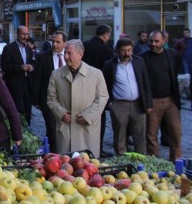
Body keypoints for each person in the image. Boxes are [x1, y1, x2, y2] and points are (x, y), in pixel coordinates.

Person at [47, 39, 109, 158]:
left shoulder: (96, 74)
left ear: (80, 54)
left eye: (69, 53)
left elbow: (102, 97)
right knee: (66, 166)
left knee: (88, 165)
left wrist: (88, 116)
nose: (65, 56)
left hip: (87, 129)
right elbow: (51, 99)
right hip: (66, 127)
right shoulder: (56, 74)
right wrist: (61, 113)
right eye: (65, 52)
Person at [103, 38, 153, 155]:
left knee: (140, 135)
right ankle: (122, 159)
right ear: (117, 50)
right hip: (119, 104)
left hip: (138, 103)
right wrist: (109, 104)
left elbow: (146, 83)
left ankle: (141, 160)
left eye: (129, 50)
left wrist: (148, 103)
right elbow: (104, 85)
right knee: (120, 134)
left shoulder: (139, 61)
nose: (126, 53)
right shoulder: (110, 65)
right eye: (123, 50)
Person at [140, 30, 182, 162]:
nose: (153, 43)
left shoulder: (172, 54)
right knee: (151, 135)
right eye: (151, 41)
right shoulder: (143, 57)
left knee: (176, 131)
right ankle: (156, 162)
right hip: (153, 101)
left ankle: (176, 160)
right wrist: (147, 103)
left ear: (164, 41)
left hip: (171, 100)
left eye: (156, 41)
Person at [82, 24, 114, 158]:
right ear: (106, 35)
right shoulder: (106, 49)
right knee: (99, 118)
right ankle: (97, 148)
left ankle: (84, 147)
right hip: (99, 87)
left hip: (83, 85)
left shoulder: (85, 45)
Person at [33, 31, 67, 153]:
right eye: (53, 41)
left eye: (58, 42)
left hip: (66, 100)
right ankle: (54, 153)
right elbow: (37, 79)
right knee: (52, 128)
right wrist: (36, 100)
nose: (55, 44)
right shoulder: (43, 57)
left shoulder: (69, 57)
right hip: (48, 99)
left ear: (65, 43)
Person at [1, 26, 34, 125]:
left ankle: (27, 130)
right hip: (15, 85)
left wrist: (32, 67)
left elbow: (32, 62)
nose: (25, 36)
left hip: (27, 85)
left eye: (27, 34)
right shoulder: (9, 48)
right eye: (23, 34)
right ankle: (18, 131)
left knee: (28, 109)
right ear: (17, 34)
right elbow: (4, 66)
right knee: (17, 111)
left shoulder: (28, 48)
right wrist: (20, 67)